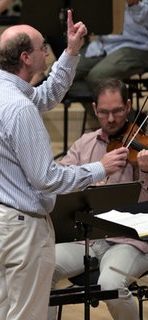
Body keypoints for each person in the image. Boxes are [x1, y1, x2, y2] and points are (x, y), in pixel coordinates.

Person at [0, 10, 131, 319]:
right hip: (21, 229)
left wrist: (71, 52)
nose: (47, 51)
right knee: (27, 315)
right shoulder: (19, 109)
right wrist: (100, 168)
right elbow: (48, 179)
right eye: (42, 47)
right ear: (26, 57)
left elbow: (44, 96)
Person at [48, 78, 148, 320]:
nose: (111, 119)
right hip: (87, 238)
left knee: (110, 284)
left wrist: (145, 171)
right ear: (94, 109)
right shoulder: (85, 144)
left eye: (117, 111)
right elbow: (57, 180)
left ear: (127, 107)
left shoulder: (142, 149)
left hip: (129, 240)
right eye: (104, 112)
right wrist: (87, 181)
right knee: (41, 266)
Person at [75, 0, 148, 92]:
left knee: (97, 77)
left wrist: (134, 4)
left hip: (136, 46)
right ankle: (100, 104)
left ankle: (119, 105)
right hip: (103, 45)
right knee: (62, 74)